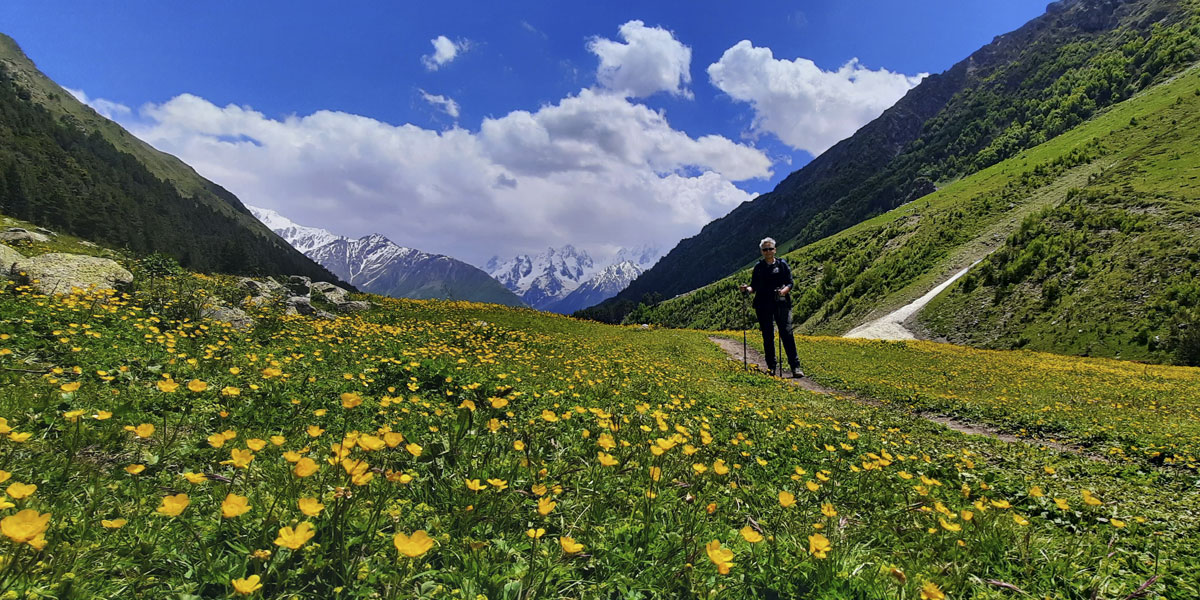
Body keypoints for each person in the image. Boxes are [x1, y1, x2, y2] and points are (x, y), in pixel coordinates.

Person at [739, 238, 803, 378]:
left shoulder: (782, 264)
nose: (768, 252)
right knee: (767, 336)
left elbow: (790, 283)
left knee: (786, 333)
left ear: (775, 250)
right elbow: (754, 285)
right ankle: (771, 367)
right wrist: (747, 290)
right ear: (762, 252)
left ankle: (795, 367)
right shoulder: (759, 267)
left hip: (781, 303)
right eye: (765, 249)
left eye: (770, 249)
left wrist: (783, 292)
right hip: (763, 304)